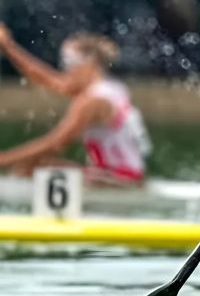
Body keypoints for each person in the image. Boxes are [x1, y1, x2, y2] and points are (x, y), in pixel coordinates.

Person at [0, 23, 151, 187]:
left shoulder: (94, 101)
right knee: (33, 165)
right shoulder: (111, 88)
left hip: (120, 181)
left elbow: (55, 143)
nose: (66, 70)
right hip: (123, 175)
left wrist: (3, 160)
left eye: (69, 63)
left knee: (31, 166)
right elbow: (47, 79)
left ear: (89, 65)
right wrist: (8, 47)